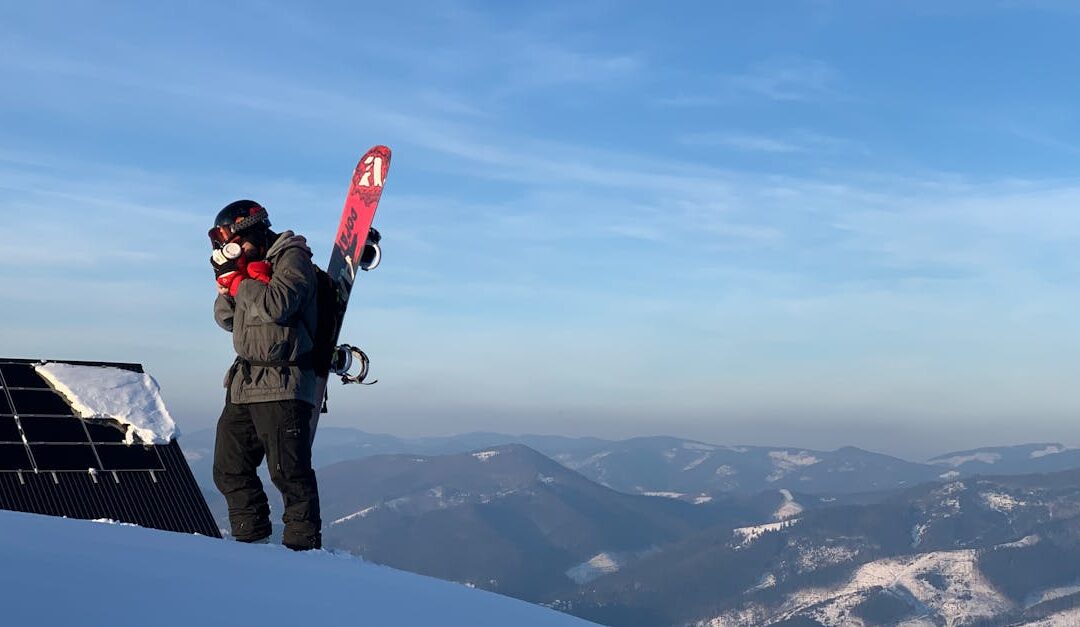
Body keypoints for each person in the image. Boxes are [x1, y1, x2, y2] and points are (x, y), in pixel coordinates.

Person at [208, 199, 322, 550]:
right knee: (229, 468)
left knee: (288, 474)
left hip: (283, 382)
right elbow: (227, 320)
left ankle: (303, 551)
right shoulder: (249, 267)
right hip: (244, 384)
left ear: (253, 231)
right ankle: (250, 542)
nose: (231, 250)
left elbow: (278, 305)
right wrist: (229, 283)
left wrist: (241, 284)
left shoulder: (292, 258)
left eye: (234, 242)